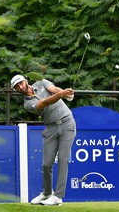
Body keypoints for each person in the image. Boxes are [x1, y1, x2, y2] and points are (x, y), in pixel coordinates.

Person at [10, 74, 76, 206]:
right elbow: (44, 103)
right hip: (51, 128)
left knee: (63, 159)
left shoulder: (41, 82)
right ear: (16, 90)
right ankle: (46, 193)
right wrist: (62, 94)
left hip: (67, 123)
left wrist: (66, 94)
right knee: (46, 164)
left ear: (26, 81)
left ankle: (58, 196)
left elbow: (54, 89)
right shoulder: (27, 104)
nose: (21, 87)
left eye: (21, 83)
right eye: (17, 87)